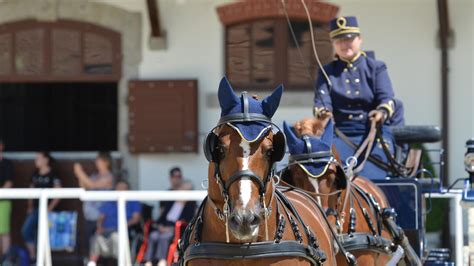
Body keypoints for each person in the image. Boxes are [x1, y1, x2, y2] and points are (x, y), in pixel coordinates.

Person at [313, 16, 397, 179]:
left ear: (359, 40)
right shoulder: (326, 71)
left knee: (379, 175)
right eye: (339, 40)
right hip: (339, 133)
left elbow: (387, 99)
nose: (344, 44)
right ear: (333, 44)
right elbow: (322, 102)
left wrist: (381, 112)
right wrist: (324, 113)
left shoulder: (376, 67)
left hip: (373, 131)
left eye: (349, 39)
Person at [144, 169, 196, 266]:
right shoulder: (171, 201)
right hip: (163, 226)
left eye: (186, 191)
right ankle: (148, 261)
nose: (183, 192)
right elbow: (162, 217)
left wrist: (170, 228)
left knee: (164, 237)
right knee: (153, 235)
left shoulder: (190, 205)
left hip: (176, 229)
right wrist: (160, 226)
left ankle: (162, 261)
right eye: (182, 190)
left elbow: (187, 221)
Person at [86, 179, 141, 266]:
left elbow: (136, 218)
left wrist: (124, 225)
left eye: (123, 188)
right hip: (106, 229)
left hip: (122, 230)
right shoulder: (110, 202)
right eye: (119, 188)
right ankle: (92, 262)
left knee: (115, 236)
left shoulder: (133, 201)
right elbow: (101, 217)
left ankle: (121, 262)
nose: (121, 190)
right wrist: (99, 226)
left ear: (128, 190)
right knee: (96, 237)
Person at [21, 152, 61, 261]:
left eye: (38, 158)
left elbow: (58, 194)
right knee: (28, 231)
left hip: (48, 211)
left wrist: (48, 209)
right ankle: (35, 257)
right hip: (35, 210)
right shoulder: (35, 174)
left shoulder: (53, 174)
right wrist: (29, 206)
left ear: (46, 160)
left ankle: (41, 259)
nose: (36, 161)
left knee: (43, 235)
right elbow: (31, 191)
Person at [73, 152, 115, 252]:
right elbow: (85, 186)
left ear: (106, 162)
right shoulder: (95, 175)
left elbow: (92, 185)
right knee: (89, 242)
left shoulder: (109, 176)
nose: (96, 162)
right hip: (89, 215)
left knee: (100, 244)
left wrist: (80, 172)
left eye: (98, 160)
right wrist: (79, 175)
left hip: (102, 216)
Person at [0, 138, 13, 256]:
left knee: (4, 232)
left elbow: (9, 183)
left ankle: (6, 259)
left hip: (3, 201)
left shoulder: (6, 163)